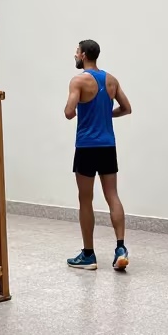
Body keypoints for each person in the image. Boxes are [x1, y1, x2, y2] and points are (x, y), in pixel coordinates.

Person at [63, 39, 132, 271]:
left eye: (76, 52)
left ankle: (88, 255)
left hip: (86, 146)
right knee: (112, 195)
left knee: (85, 199)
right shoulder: (111, 80)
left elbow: (69, 112)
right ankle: (120, 248)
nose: (75, 55)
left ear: (83, 55)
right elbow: (126, 108)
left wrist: (76, 107)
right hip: (107, 146)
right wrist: (105, 114)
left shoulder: (78, 80)